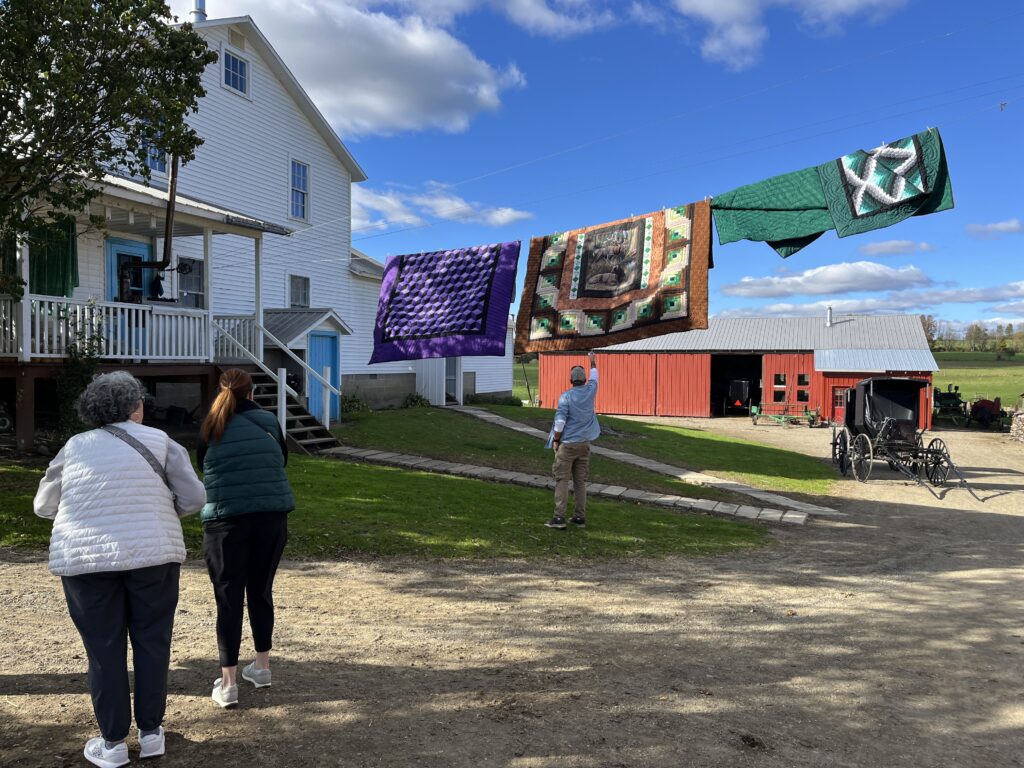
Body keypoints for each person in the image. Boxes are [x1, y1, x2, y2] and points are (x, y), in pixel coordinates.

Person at [33, 371, 206, 768]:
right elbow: (194, 497)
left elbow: (43, 505)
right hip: (153, 555)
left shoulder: (74, 447)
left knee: (103, 649)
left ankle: (112, 742)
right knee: (152, 642)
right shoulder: (162, 443)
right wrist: (162, 509)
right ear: (135, 407)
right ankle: (151, 733)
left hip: (86, 560)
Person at [197, 368, 294, 709]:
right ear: (252, 393)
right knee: (261, 591)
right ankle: (262, 667)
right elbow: (282, 459)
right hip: (271, 518)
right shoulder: (268, 421)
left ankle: (228, 684)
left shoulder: (210, 425)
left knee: (228, 599)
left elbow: (202, 467)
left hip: (225, 523)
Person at [545, 351, 600, 529]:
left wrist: (556, 439)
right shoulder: (591, 390)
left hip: (567, 445)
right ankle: (579, 517)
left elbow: (560, 422)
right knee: (580, 481)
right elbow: (595, 376)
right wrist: (592, 361)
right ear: (584, 380)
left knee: (562, 480)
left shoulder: (566, 397)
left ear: (571, 380)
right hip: (585, 444)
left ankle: (559, 518)